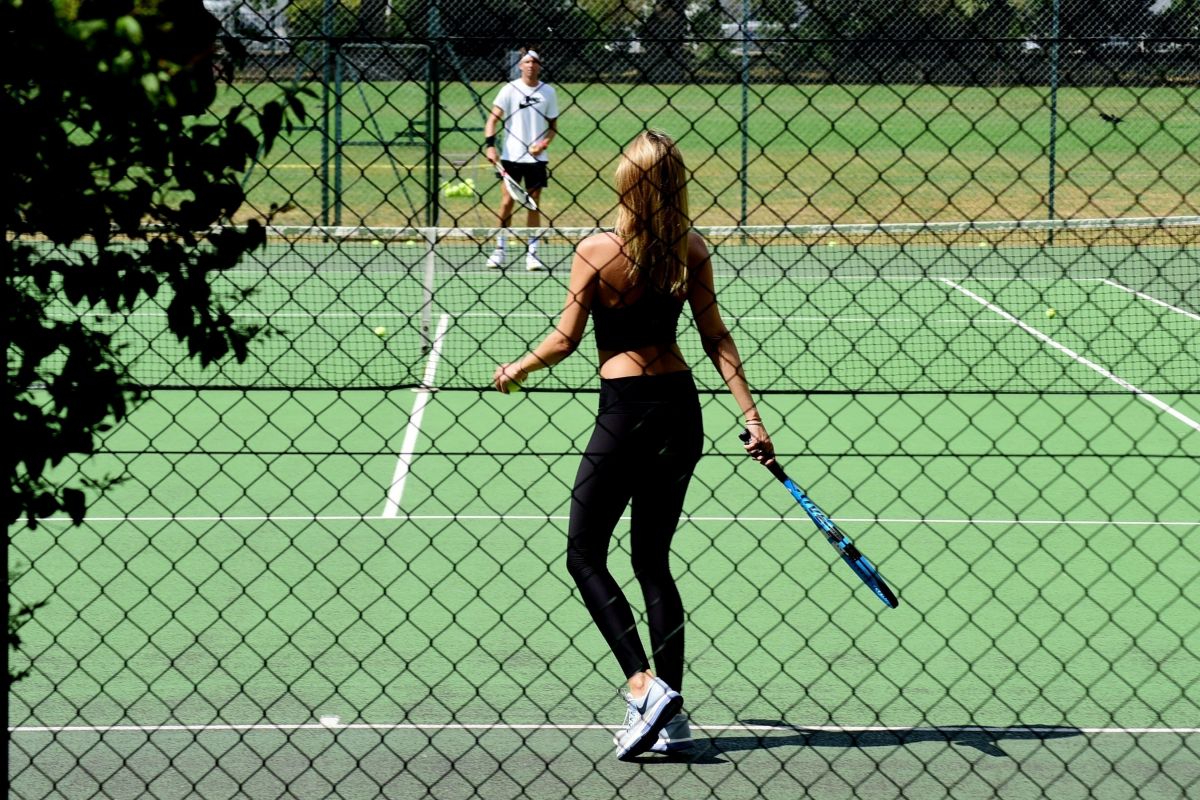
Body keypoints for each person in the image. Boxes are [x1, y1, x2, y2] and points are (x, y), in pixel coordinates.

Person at [492, 130, 775, 760]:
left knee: (584, 553)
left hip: (624, 413)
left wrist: (517, 367)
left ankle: (643, 687)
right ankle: (673, 720)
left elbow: (565, 340)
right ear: (675, 185)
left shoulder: (596, 250)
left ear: (626, 183)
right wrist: (753, 421)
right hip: (682, 412)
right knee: (652, 561)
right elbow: (715, 336)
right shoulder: (690, 250)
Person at [483, 49, 559, 271]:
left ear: (539, 66)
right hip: (511, 157)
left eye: (535, 62)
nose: (530, 66)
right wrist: (490, 147)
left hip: (536, 160)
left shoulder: (548, 92)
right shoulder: (509, 90)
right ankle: (499, 249)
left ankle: (532, 254)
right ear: (520, 65)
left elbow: (553, 128)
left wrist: (543, 144)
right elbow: (492, 121)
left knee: (533, 205)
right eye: (526, 62)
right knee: (507, 202)